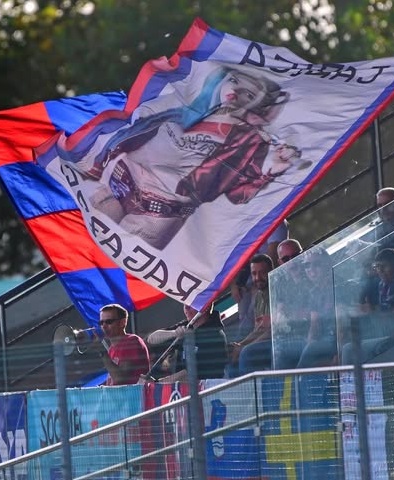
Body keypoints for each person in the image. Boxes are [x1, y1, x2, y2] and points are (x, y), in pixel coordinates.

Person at [62, 66, 306, 249]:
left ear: (259, 105)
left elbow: (238, 194)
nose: (236, 91)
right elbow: (135, 129)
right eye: (234, 81)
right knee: (83, 252)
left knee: (120, 271)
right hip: (115, 184)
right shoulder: (184, 108)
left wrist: (272, 170)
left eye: (250, 93)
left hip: (157, 213)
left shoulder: (250, 141)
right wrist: (95, 158)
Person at [341, 248, 394, 364]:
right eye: (377, 267)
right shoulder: (381, 284)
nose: (380, 271)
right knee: (347, 338)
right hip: (383, 331)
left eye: (384, 266)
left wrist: (373, 310)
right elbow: (365, 304)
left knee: (348, 350)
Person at [229, 219, 289, 342]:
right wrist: (235, 283)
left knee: (252, 319)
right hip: (246, 281)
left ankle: (241, 348)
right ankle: (239, 347)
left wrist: (259, 281)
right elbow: (237, 256)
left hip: (265, 280)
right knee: (244, 318)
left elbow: (272, 259)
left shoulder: (276, 222)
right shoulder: (246, 223)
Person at [144, 303, 228, 382]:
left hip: (207, 390)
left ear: (206, 307)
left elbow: (190, 373)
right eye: (185, 304)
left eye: (191, 305)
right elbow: (151, 339)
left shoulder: (214, 334)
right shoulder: (187, 326)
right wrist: (174, 333)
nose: (186, 308)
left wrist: (160, 383)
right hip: (185, 389)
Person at [227, 254, 275, 376]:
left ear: (271, 271)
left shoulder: (277, 291)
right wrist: (240, 344)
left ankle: (252, 393)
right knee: (231, 356)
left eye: (262, 273)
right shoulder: (258, 296)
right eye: (254, 274)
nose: (258, 277)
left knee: (247, 354)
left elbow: (272, 331)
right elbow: (258, 329)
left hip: (278, 341)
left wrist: (244, 347)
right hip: (263, 341)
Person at [270, 239, 313, 369]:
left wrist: (289, 314)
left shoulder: (313, 275)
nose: (292, 263)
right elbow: (279, 315)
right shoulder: (280, 282)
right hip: (286, 337)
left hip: (308, 335)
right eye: (286, 259)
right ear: (280, 263)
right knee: (249, 353)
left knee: (281, 351)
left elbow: (310, 315)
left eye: (295, 256)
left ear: (303, 254)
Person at [296, 247, 338, 368]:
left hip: (335, 340)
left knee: (311, 348)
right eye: (307, 265)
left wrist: (338, 353)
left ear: (328, 265)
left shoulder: (339, 285)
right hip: (322, 340)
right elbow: (314, 326)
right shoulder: (314, 292)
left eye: (317, 264)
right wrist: (308, 343)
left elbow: (345, 326)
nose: (311, 269)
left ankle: (296, 384)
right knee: (282, 349)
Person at [90, 303, 150, 385]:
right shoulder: (111, 349)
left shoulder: (132, 341)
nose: (103, 326)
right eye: (101, 323)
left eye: (109, 322)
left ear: (122, 322)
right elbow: (113, 379)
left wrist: (103, 352)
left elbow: (121, 379)